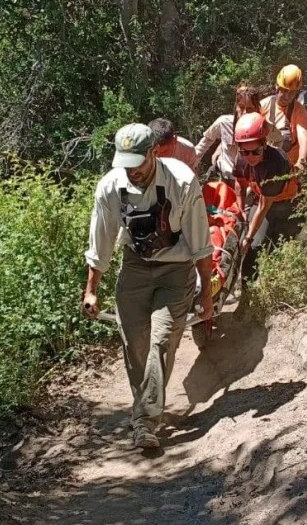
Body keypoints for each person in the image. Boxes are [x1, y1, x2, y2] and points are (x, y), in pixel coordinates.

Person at [81, 123, 214, 449]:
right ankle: (147, 407)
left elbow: (200, 242)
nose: (131, 171)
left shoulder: (182, 181)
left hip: (176, 270)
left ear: (154, 153)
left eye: (137, 163)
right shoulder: (110, 188)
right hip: (135, 268)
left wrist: (206, 293)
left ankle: (144, 421)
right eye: (125, 164)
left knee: (160, 341)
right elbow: (101, 242)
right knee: (134, 344)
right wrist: (91, 289)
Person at [232, 112, 301, 278]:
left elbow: (264, 207)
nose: (250, 157)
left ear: (264, 144)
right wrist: (240, 211)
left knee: (279, 251)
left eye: (255, 152)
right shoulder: (242, 159)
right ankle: (248, 295)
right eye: (245, 152)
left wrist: (247, 238)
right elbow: (239, 185)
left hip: (288, 206)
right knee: (254, 250)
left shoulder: (275, 163)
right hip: (262, 200)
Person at [194, 84, 262, 183]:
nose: (244, 113)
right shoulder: (224, 122)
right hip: (225, 179)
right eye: (241, 107)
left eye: (250, 109)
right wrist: (191, 163)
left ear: (257, 109)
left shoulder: (263, 127)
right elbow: (205, 142)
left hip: (250, 182)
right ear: (236, 106)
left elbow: (278, 141)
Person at [259, 64, 307, 174]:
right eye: (284, 91)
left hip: (288, 169)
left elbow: (304, 139)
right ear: (277, 87)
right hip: (264, 166)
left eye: (292, 92)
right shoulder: (263, 106)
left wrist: (301, 163)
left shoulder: (300, 112)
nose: (287, 96)